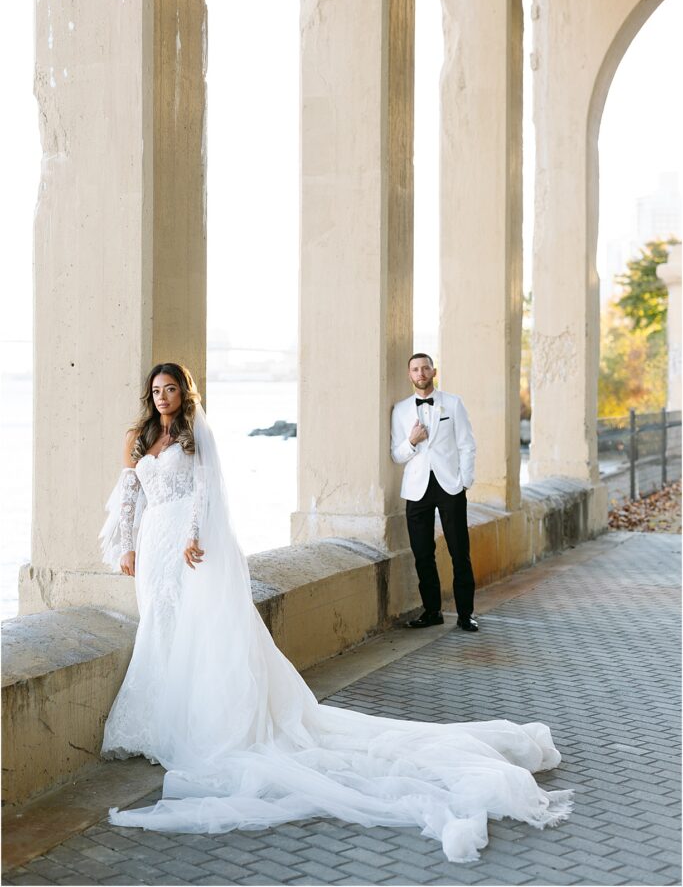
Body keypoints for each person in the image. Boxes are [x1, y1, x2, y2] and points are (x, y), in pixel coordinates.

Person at [100, 361, 572, 863]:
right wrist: (126, 546)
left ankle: (190, 724)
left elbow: (205, 490)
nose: (163, 396)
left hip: (186, 546)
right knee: (160, 626)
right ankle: (158, 721)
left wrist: (195, 535)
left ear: (184, 392)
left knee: (187, 630)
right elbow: (128, 494)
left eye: (171, 389)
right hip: (152, 547)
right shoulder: (138, 435)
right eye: (156, 390)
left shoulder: (196, 435)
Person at [391, 353, 478, 631]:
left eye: (425, 368)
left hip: (449, 486)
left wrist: (464, 481)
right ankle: (432, 612)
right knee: (422, 553)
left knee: (459, 552)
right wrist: (412, 441)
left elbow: (467, 444)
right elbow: (396, 455)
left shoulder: (453, 403)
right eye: (415, 369)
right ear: (409, 375)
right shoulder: (401, 410)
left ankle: (466, 615)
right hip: (417, 490)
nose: (421, 373)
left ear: (434, 371)